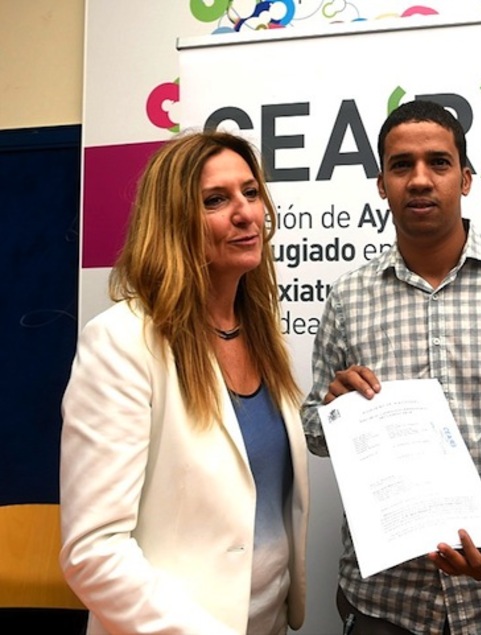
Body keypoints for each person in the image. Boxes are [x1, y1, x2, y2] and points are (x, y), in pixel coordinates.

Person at [301, 99, 481, 635]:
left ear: (465, 178)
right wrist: (333, 412)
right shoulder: (348, 296)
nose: (419, 180)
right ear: (380, 184)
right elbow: (314, 432)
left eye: (438, 162)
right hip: (384, 605)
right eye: (400, 165)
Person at [59, 131, 309, 635]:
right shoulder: (122, 343)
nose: (245, 213)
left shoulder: (259, 333)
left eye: (251, 192)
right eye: (216, 200)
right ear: (173, 221)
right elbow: (93, 551)